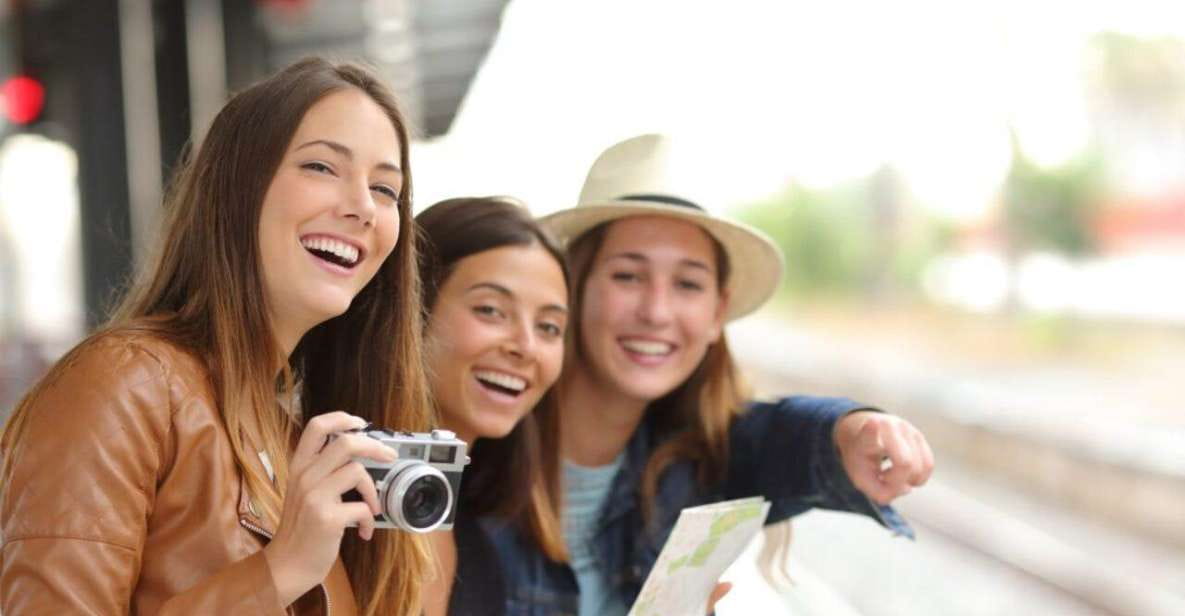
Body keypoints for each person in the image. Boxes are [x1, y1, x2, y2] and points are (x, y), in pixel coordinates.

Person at [0, 58, 432, 615]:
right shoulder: (124, 386)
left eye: (385, 189)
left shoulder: (297, 435)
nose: (362, 208)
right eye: (322, 167)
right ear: (237, 188)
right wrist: (279, 571)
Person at [483, 134, 936, 615]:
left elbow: (788, 435)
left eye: (688, 284)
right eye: (628, 276)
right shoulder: (479, 452)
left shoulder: (704, 455)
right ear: (573, 287)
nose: (657, 312)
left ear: (717, 312)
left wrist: (853, 431)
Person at [413, 197, 569, 616]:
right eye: (491, 310)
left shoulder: (479, 537)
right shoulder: (332, 489)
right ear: (411, 308)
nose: (525, 347)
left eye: (549, 327)